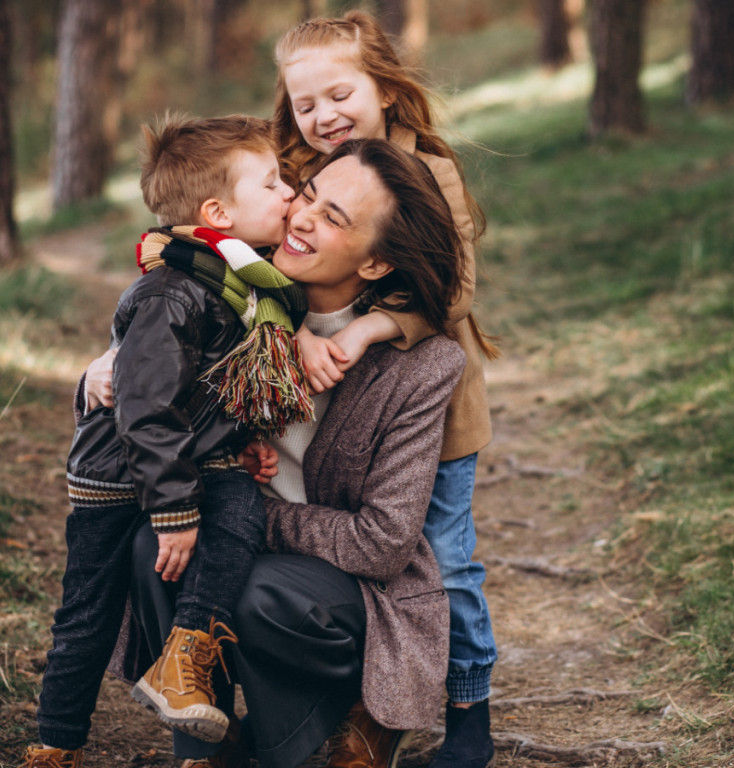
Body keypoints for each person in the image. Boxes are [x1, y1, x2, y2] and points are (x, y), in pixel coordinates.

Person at [93, 139, 468, 768]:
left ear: (376, 263)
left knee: (250, 583)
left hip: (348, 590)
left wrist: (245, 522)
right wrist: (104, 366)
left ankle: (323, 726)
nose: (301, 216)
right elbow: (154, 325)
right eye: (309, 195)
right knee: (154, 546)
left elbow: (381, 543)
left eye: (333, 218)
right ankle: (202, 747)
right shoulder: (237, 300)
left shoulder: (421, 366)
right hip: (241, 539)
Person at [22, 114, 300, 768]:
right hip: (119, 475)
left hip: (195, 460)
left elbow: (218, 380)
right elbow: (146, 407)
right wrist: (173, 513)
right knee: (88, 612)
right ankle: (56, 741)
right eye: (273, 183)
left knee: (238, 512)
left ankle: (187, 664)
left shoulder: (241, 286)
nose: (291, 192)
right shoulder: (173, 291)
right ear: (217, 212)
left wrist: (250, 434)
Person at [272, 14, 499, 768]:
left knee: (445, 561)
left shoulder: (430, 172)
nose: (324, 117)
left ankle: (468, 712)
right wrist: (297, 330)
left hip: (434, 415)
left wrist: (371, 329)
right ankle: (359, 700)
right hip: (344, 418)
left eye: (340, 94)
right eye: (306, 105)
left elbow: (456, 290)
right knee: (348, 542)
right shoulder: (302, 173)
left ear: (385, 88)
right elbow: (258, 256)